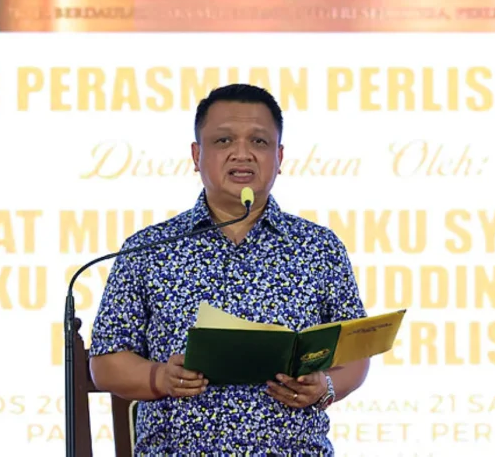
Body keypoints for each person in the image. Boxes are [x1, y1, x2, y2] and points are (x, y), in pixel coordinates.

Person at [89, 83, 370, 455]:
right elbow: (106, 361)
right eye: (223, 141)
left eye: (259, 142)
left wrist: (325, 388)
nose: (242, 153)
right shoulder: (149, 249)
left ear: (279, 157)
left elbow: (354, 350)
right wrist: (161, 378)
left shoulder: (319, 248)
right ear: (196, 155)